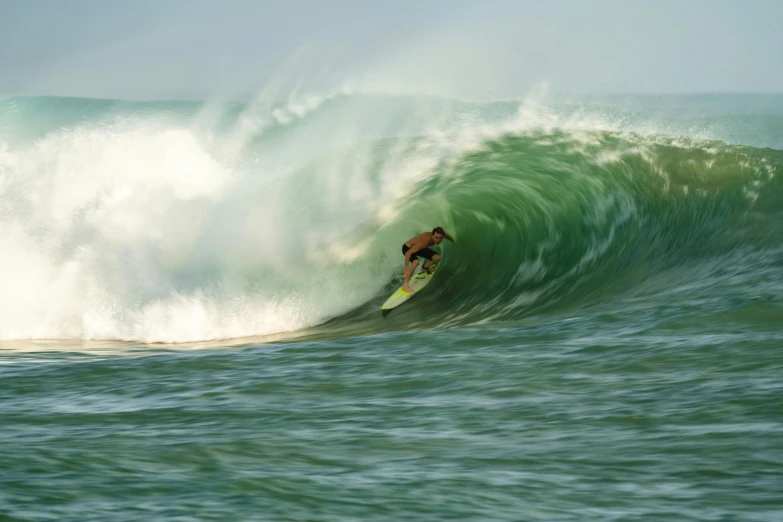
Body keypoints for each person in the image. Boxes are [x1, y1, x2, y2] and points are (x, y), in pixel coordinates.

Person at [401, 226, 454, 292]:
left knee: (437, 258)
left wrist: (453, 241)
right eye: (436, 238)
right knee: (416, 262)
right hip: (407, 249)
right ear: (432, 235)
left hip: (419, 248)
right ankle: (405, 285)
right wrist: (406, 268)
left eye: (440, 238)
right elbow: (408, 253)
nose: (438, 240)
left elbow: (446, 235)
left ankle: (424, 267)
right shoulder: (424, 242)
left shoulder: (441, 235)